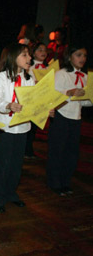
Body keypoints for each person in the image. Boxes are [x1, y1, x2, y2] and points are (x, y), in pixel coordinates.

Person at [0, 43, 35, 213]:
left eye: (29, 55)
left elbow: (33, 101)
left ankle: (11, 193)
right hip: (5, 126)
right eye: (24, 55)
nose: (29, 58)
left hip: (22, 127)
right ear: (13, 57)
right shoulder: (2, 77)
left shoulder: (29, 78)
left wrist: (44, 108)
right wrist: (8, 105)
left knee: (16, 163)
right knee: (3, 163)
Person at [47, 46, 91, 196]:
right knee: (57, 151)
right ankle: (54, 182)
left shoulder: (84, 77)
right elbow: (52, 96)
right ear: (69, 56)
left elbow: (83, 103)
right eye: (78, 55)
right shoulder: (62, 74)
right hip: (60, 116)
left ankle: (65, 181)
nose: (82, 58)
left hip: (76, 117)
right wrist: (69, 93)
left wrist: (89, 97)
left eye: (84, 56)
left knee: (71, 153)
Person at [25, 42, 49, 159]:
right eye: (39, 50)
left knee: (35, 126)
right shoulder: (29, 67)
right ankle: (26, 148)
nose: (43, 52)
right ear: (33, 53)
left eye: (44, 50)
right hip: (32, 99)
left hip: (42, 100)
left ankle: (29, 148)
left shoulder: (49, 67)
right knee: (29, 125)